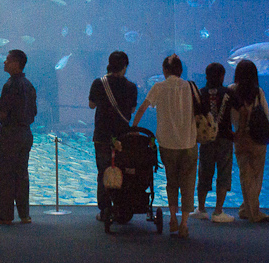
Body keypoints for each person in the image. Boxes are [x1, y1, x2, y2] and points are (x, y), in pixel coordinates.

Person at [132, 54, 198, 238]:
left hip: (167, 143)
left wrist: (134, 128)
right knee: (188, 183)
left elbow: (143, 107)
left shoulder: (159, 87)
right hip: (189, 142)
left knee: (172, 182)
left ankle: (173, 219)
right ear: (181, 70)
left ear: (164, 70)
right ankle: (184, 223)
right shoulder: (191, 87)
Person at [87, 51, 138, 221]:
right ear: (125, 66)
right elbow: (132, 110)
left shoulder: (98, 83)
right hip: (123, 136)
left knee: (104, 171)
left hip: (102, 135)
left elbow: (91, 105)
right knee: (122, 171)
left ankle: (105, 210)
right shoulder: (131, 87)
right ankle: (122, 208)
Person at [224, 59, 269, 223]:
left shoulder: (231, 90)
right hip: (257, 138)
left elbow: (226, 114)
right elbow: (266, 114)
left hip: (239, 136)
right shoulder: (258, 92)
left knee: (245, 175)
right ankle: (254, 213)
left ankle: (247, 209)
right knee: (256, 176)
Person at [0, 49, 37, 225]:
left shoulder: (10, 85)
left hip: (10, 134)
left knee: (5, 175)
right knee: (22, 174)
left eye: (8, 60)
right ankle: (24, 215)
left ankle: (4, 216)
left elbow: (3, 113)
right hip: (26, 133)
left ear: (16, 64)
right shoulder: (29, 85)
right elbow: (33, 112)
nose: (4, 62)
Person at [194, 62, 235, 223]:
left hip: (207, 139)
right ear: (222, 76)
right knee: (224, 173)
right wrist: (238, 132)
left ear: (206, 76)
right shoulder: (228, 92)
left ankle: (201, 208)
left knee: (204, 172)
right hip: (226, 137)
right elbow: (242, 110)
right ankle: (218, 211)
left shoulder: (201, 93)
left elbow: (195, 115)